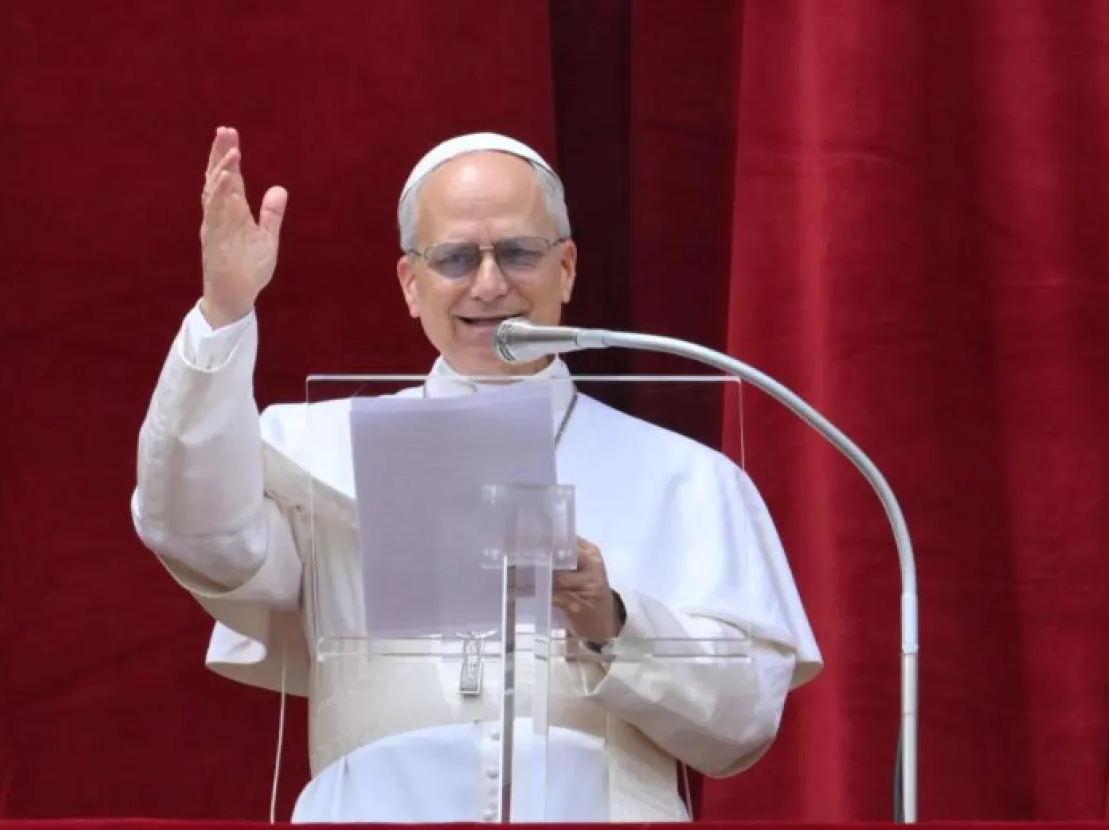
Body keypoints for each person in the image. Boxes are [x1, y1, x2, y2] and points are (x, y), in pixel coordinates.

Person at [131, 127, 823, 823]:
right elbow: (197, 534)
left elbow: (745, 719)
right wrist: (223, 312)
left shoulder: (682, 476)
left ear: (566, 268)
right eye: (456, 258)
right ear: (411, 284)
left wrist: (611, 620)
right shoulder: (314, 447)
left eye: (519, 253)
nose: (489, 285)